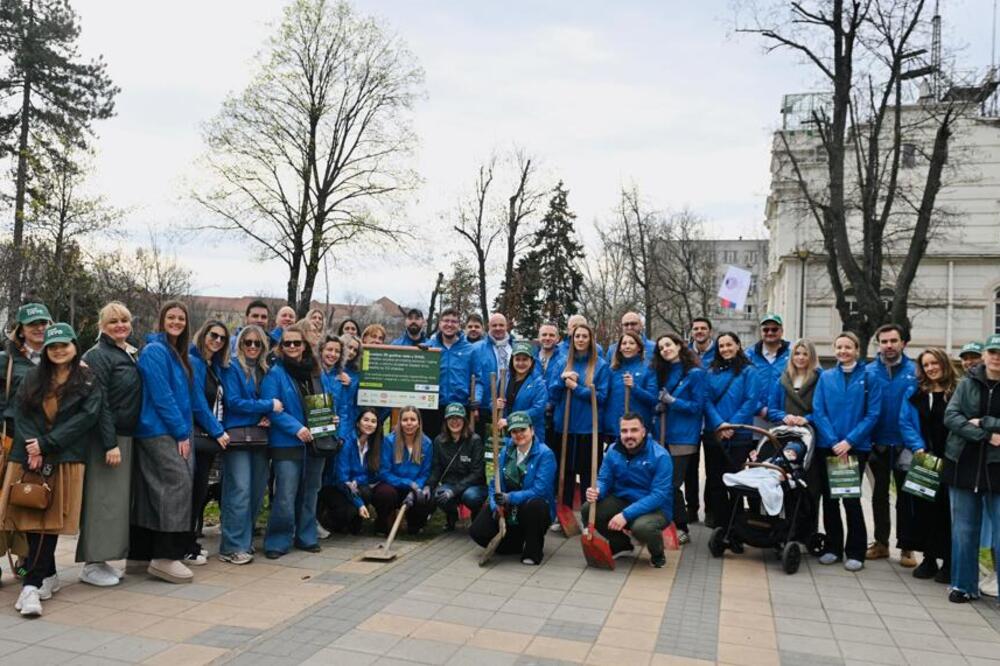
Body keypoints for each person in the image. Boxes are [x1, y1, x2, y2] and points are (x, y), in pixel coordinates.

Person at [1, 323, 102, 617]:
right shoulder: (34, 376)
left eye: (65, 345)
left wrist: (46, 444)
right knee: (30, 516)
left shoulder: (86, 379)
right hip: (28, 456)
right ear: (46, 350)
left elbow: (87, 416)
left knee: (51, 521)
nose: (59, 351)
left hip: (63, 455)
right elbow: (21, 411)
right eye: (53, 346)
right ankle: (38, 580)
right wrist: (34, 446)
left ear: (74, 347)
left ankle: (32, 584)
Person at [131, 301, 197, 584]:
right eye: (171, 317)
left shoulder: (177, 354)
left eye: (181, 318)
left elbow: (188, 399)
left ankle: (142, 551)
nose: (176, 321)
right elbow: (162, 396)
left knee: (155, 490)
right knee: (177, 484)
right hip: (158, 430)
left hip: (170, 429)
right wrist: (181, 433)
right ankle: (165, 557)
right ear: (161, 320)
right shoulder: (155, 351)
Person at [76, 302, 142, 587]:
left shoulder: (126, 352)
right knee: (101, 500)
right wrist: (109, 442)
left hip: (125, 435)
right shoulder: (98, 355)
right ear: (102, 325)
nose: (120, 325)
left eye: (124, 320)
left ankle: (102, 560)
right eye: (113, 321)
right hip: (107, 439)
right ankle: (92, 564)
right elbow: (98, 402)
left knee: (115, 502)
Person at [812, 332, 882, 572]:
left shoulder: (869, 377)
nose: (843, 351)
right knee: (830, 500)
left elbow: (872, 414)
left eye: (848, 347)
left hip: (855, 448)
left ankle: (856, 551)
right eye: (839, 347)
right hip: (828, 446)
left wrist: (849, 441)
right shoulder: (826, 376)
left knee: (851, 500)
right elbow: (818, 410)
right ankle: (833, 547)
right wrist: (832, 440)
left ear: (857, 350)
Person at [261, 322, 329, 558]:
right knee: (285, 494)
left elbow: (327, 400)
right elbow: (272, 408)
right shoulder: (275, 373)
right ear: (281, 346)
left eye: (296, 343)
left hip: (316, 441)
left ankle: (306, 536)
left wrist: (333, 417)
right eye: (287, 343)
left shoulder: (316, 372)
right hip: (287, 442)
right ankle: (277, 540)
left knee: (311, 492)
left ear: (304, 346)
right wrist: (296, 428)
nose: (291, 346)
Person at [942, 333, 1000, 603]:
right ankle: (963, 585)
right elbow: (952, 417)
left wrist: (983, 421)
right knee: (964, 531)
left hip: (996, 467)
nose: (996, 357)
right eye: (992, 352)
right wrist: (986, 434)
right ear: (985, 355)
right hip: (962, 463)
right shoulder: (967, 383)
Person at [0, 302, 52, 581]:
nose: (40, 329)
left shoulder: (56, 356)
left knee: (30, 500)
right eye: (33, 325)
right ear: (21, 330)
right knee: (4, 501)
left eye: (44, 323)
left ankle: (26, 559)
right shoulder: (7, 360)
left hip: (44, 443)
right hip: (11, 440)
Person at [219, 325, 277, 565]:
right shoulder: (232, 367)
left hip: (261, 438)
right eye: (247, 342)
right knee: (239, 490)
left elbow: (276, 402)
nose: (252, 347)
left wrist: (268, 413)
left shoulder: (266, 370)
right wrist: (264, 408)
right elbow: (233, 402)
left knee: (255, 491)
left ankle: (245, 539)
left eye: (257, 343)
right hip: (237, 437)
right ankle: (231, 546)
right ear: (240, 344)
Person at [584, 412, 673, 567]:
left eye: (634, 430)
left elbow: (658, 495)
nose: (629, 435)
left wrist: (626, 515)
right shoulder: (613, 450)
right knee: (588, 509)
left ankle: (658, 554)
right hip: (623, 500)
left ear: (643, 432)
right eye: (624, 431)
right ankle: (621, 545)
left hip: (655, 508)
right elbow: (604, 479)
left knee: (642, 527)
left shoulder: (661, 456)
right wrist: (597, 490)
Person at [900, 347, 957, 584]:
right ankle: (929, 558)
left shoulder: (957, 391)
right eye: (926, 365)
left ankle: (949, 562)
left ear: (943, 363)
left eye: (935, 363)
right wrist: (918, 447)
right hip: (924, 459)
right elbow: (905, 422)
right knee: (924, 510)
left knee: (948, 512)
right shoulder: (915, 392)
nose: (931, 368)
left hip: (951, 460)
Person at [470, 411, 556, 565]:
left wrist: (510, 497)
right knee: (477, 532)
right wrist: (496, 505)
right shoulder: (505, 452)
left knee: (535, 505)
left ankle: (532, 550)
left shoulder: (545, 454)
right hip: (508, 508)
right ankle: (515, 543)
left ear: (532, 430)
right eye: (514, 431)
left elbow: (540, 490)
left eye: (523, 430)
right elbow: (493, 484)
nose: (519, 434)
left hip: (533, 509)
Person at [865, 323, 918, 566]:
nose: (888, 345)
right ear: (879, 344)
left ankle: (908, 547)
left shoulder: (915, 372)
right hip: (878, 443)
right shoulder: (868, 371)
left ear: (903, 343)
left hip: (906, 444)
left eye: (893, 341)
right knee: (879, 495)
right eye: (884, 341)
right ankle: (881, 543)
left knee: (906, 497)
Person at [549, 323, 609, 528]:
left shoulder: (600, 365)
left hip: (588, 428)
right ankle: (563, 514)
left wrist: (576, 387)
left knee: (587, 474)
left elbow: (601, 397)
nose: (581, 340)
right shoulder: (562, 362)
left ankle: (586, 515)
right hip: (564, 427)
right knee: (563, 472)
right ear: (572, 340)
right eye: (577, 336)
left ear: (591, 340)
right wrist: (562, 381)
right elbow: (552, 394)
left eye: (584, 336)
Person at [648, 332, 705, 545]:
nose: (665, 350)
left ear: (679, 346)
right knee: (661, 481)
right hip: (662, 433)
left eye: (668, 345)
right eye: (661, 348)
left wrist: (673, 401)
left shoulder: (695, 374)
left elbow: (697, 407)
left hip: (683, 437)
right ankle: (664, 523)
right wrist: (660, 406)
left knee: (672, 483)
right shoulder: (663, 372)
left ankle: (681, 527)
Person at [703, 332, 760, 543]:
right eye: (721, 346)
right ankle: (721, 527)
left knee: (735, 483)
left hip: (740, 435)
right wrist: (720, 424)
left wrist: (732, 426)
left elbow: (751, 400)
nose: (725, 349)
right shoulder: (711, 371)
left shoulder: (749, 371)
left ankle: (737, 529)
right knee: (716, 483)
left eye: (729, 344)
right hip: (714, 434)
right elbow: (706, 400)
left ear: (738, 345)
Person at [765, 338, 823, 539]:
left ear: (811, 356)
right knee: (785, 482)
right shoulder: (782, 379)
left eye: (805, 354)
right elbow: (771, 408)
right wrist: (784, 416)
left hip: (809, 438)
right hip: (785, 436)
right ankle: (784, 529)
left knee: (809, 487)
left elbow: (823, 410)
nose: (800, 357)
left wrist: (805, 419)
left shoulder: (819, 378)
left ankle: (808, 533)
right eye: (797, 353)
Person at [188, 320, 232, 565]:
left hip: (207, 438)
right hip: (198, 436)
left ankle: (191, 542)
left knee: (200, 491)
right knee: (194, 491)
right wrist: (218, 431)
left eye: (222, 338)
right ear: (203, 334)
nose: (216, 341)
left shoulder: (212, 366)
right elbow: (197, 403)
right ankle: (186, 544)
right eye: (213, 335)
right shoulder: (194, 362)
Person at [375, 406, 434, 535]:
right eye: (405, 419)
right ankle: (382, 523)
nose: (409, 423)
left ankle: (415, 525)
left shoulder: (427, 443)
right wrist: (408, 483)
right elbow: (384, 472)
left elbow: (425, 472)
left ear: (419, 423)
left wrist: (416, 489)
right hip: (393, 485)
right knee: (384, 494)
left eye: (413, 419)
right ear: (399, 422)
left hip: (415, 486)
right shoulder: (389, 441)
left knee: (426, 497)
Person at [427, 403, 486, 530]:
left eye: (458, 418)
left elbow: (477, 473)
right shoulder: (439, 441)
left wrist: (454, 491)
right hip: (450, 483)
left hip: (473, 486)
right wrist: (428, 486)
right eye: (451, 418)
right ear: (446, 421)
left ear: (464, 420)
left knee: (471, 496)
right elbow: (436, 468)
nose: (455, 422)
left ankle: (476, 519)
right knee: (438, 494)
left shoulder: (475, 440)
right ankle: (452, 515)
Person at [323, 408, 381, 534]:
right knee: (345, 511)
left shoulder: (374, 446)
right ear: (357, 423)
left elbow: (373, 476)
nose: (369, 424)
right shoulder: (347, 443)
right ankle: (330, 522)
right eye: (365, 420)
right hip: (337, 487)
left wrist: (357, 480)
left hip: (356, 486)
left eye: (373, 421)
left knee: (365, 491)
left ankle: (355, 524)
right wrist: (359, 504)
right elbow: (342, 478)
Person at [426, 308, 475, 438]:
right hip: (433, 407)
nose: (449, 324)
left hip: (459, 407)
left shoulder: (469, 350)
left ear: (459, 325)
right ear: (440, 323)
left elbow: (478, 378)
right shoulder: (429, 347)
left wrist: (476, 400)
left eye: (454, 321)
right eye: (446, 321)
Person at [685, 316, 715, 524]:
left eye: (703, 328)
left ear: (710, 331)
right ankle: (692, 507)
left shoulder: (719, 352)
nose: (699, 331)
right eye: (696, 328)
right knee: (690, 467)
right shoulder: (685, 353)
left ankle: (712, 510)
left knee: (712, 468)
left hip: (713, 417)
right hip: (690, 419)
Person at [603, 331, 655, 436]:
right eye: (624, 343)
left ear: (639, 347)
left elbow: (653, 399)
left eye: (631, 343)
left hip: (638, 428)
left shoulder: (648, 369)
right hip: (615, 428)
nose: (627, 346)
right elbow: (605, 398)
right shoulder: (612, 370)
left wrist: (634, 387)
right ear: (619, 348)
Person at [746, 314, 791, 414]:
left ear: (782, 331)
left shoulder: (793, 355)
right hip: (756, 415)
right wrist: (759, 408)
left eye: (774, 329)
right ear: (761, 332)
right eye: (766, 330)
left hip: (785, 415)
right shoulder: (748, 356)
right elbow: (742, 387)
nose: (770, 333)